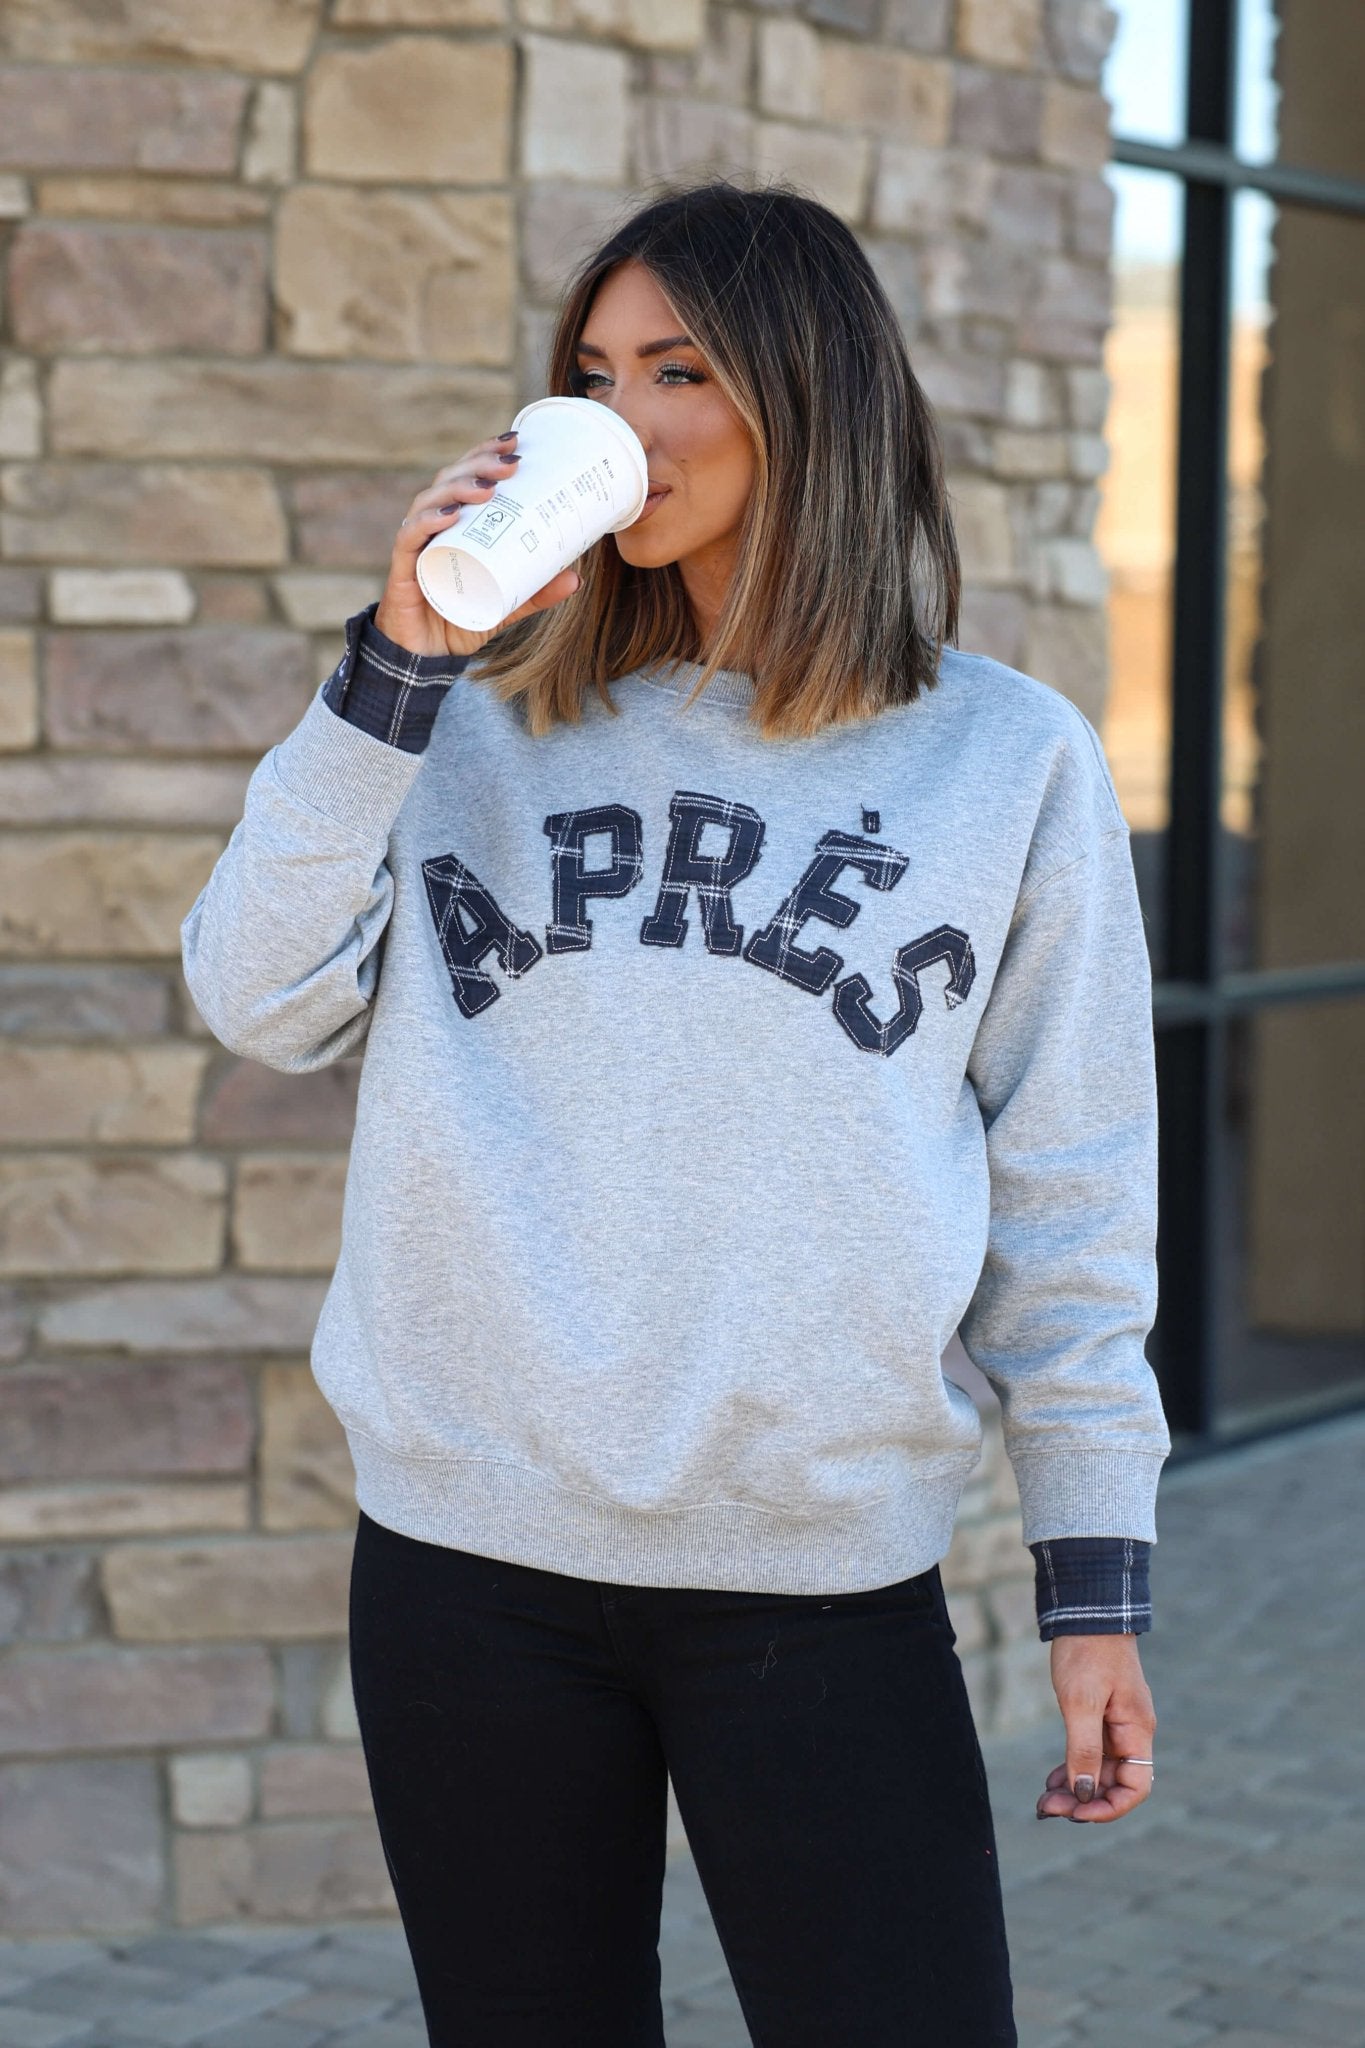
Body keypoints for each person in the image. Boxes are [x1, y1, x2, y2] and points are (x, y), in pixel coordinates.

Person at [181, 180, 1168, 2047]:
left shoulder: (1002, 758)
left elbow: (1070, 1201)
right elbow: (254, 994)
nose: (619, 420)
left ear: (808, 401)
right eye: (591, 371)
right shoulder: (461, 724)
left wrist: (1092, 1585)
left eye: (680, 370)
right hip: (471, 1573)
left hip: (816, 1581)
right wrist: (395, 661)